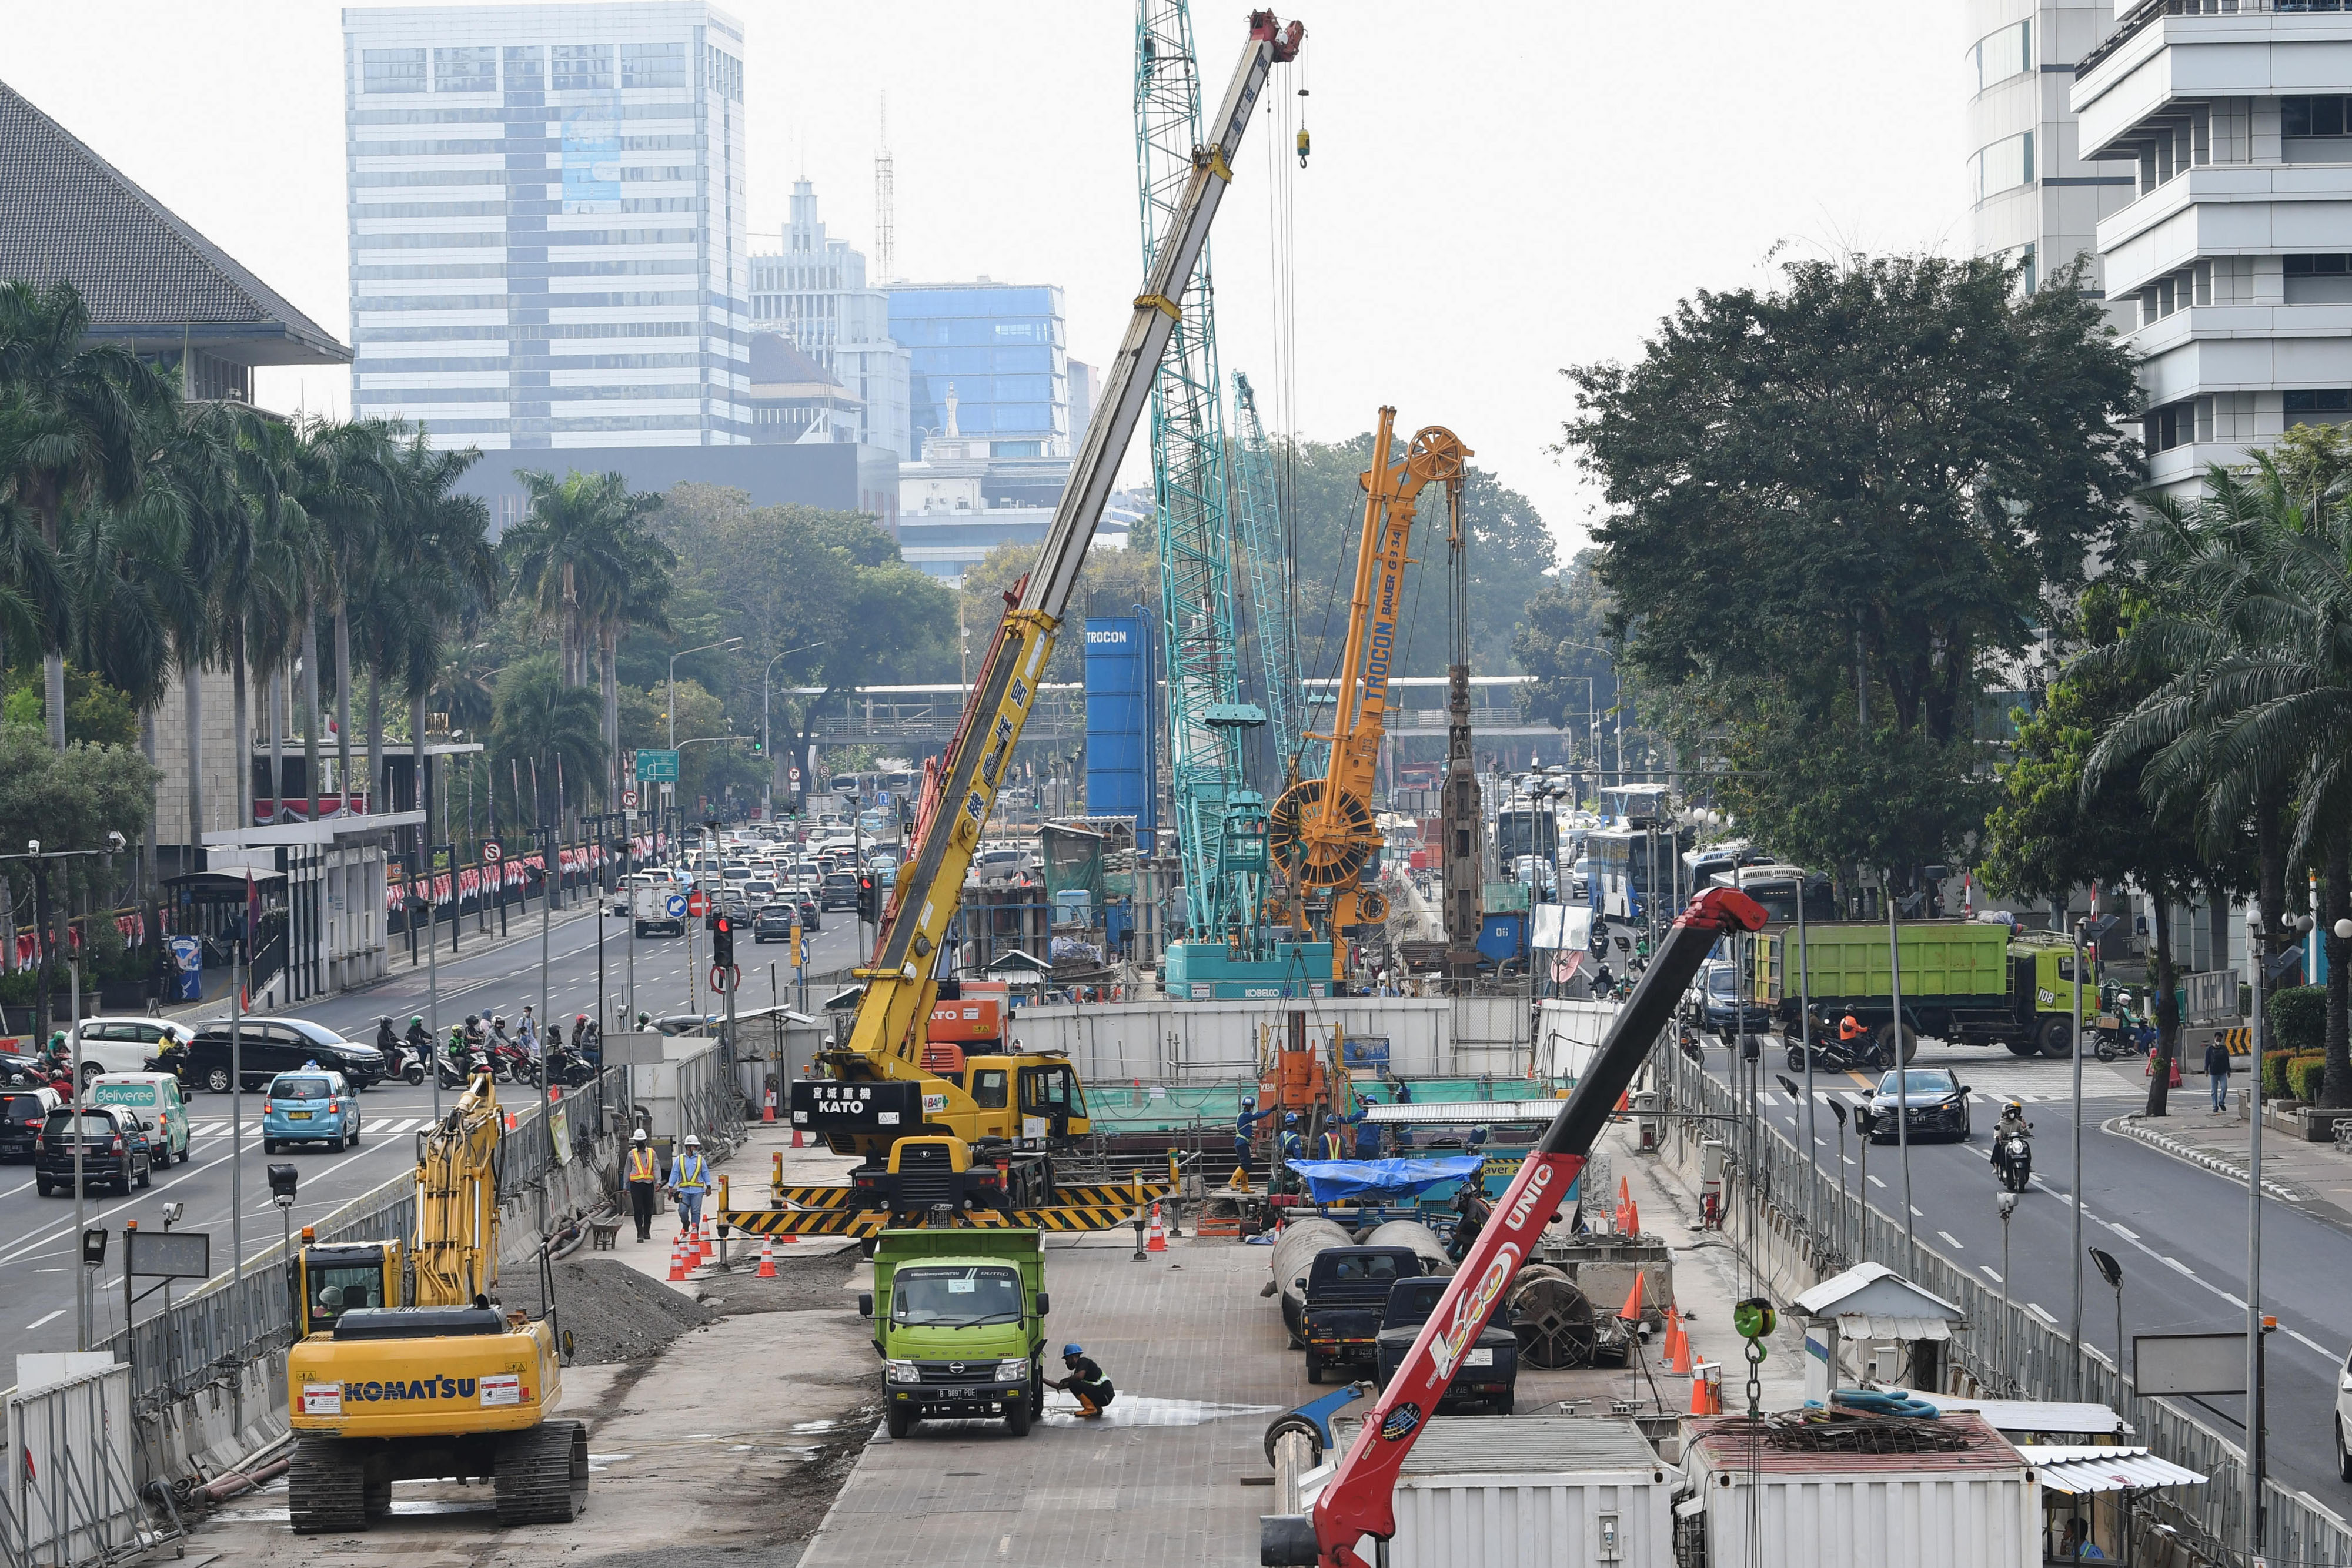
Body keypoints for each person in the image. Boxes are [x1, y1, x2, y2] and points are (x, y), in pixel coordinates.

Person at [1047, 1343, 1115, 1417]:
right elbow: (1060, 1386)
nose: (1066, 1363)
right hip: (1104, 1396)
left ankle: (1090, 1409)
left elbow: (1079, 1377)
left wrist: (1065, 1379)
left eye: (1067, 1359)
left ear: (1072, 1357)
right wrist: (1042, 1379)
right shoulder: (1079, 1370)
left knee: (1073, 1384)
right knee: (1073, 1383)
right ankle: (1097, 1408)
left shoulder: (1083, 1361)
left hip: (1105, 1395)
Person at [669, 1132, 711, 1235]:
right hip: (684, 1191)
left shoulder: (700, 1159)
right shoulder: (680, 1159)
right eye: (694, 1147)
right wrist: (670, 1186)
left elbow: (705, 1172)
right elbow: (675, 1173)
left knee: (696, 1212)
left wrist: (709, 1186)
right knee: (682, 1211)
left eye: (697, 1146)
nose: (696, 1148)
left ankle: (694, 1231)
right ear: (688, 1147)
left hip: (698, 1191)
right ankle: (685, 1223)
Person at [625, 1129, 662, 1242]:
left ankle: (647, 1231)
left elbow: (656, 1167)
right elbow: (627, 1170)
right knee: (638, 1209)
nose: (639, 1143)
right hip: (636, 1185)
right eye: (638, 1141)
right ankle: (639, 1233)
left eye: (641, 1141)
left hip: (648, 1185)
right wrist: (625, 1186)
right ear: (635, 1142)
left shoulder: (652, 1153)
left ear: (645, 1141)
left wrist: (658, 1182)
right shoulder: (631, 1154)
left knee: (648, 1209)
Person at [1989, 1099, 2031, 1168]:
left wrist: (2024, 1128)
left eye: (2014, 1112)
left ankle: (2028, 1164)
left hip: (2016, 1142)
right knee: (1999, 1147)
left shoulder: (2018, 1123)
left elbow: (2025, 1133)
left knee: (2026, 1145)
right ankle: (1999, 1166)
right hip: (2006, 1142)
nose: (2012, 1114)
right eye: (2010, 1112)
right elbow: (1997, 1134)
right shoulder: (2001, 1124)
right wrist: (1998, 1138)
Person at [2204, 1034, 2232, 1113]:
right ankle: (2215, 1106)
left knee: (2224, 1087)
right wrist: (2206, 1070)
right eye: (2217, 1040)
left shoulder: (2224, 1049)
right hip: (2213, 1072)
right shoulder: (2210, 1049)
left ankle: (2221, 1102)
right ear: (2214, 1039)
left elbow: (2227, 1060)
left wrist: (2228, 1070)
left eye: (2220, 1040)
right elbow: (2207, 1060)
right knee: (2214, 1091)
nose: (2218, 1042)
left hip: (2222, 1072)